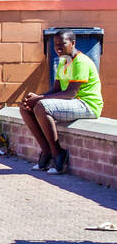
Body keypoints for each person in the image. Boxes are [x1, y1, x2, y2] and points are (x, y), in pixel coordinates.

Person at [19, 30, 103, 175]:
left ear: (73, 43)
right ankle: (46, 151)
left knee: (41, 106)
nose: (58, 48)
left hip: (87, 105)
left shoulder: (80, 62)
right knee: (26, 108)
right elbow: (55, 90)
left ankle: (57, 153)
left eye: (62, 44)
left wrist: (39, 100)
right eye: (55, 45)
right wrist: (36, 97)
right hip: (72, 102)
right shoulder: (64, 61)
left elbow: (71, 93)